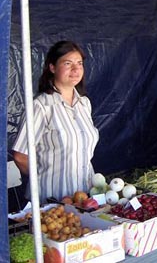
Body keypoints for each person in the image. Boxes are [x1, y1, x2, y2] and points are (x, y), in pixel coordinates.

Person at [12, 41, 99, 202]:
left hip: (85, 196)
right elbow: (20, 155)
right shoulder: (41, 106)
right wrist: (43, 175)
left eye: (79, 63)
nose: (75, 69)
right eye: (68, 63)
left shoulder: (84, 103)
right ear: (52, 67)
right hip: (52, 200)